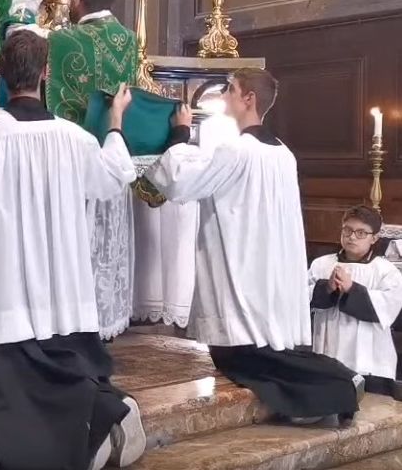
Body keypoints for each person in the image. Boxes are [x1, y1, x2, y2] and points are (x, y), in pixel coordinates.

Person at [0, 30, 146, 470]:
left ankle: (94, 427)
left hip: (6, 286)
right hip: (63, 286)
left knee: (9, 398)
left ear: (1, 74)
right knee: (66, 371)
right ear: (46, 73)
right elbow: (111, 178)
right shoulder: (75, 138)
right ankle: (100, 420)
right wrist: (115, 123)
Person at [144, 68, 365, 424]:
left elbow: (184, 181)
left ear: (249, 99)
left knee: (241, 357)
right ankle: (334, 383)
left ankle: (336, 382)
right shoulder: (283, 154)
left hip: (242, 269)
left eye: (230, 89)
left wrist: (180, 134)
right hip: (267, 273)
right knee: (258, 353)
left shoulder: (238, 150)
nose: (224, 95)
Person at [0, 0, 139, 124]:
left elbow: (17, 33)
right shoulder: (129, 39)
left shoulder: (64, 41)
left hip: (72, 137)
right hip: (114, 134)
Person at [310, 205, 402, 397]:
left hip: (370, 361)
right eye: (347, 230)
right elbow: (302, 297)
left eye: (361, 233)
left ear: (374, 238)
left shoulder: (385, 271)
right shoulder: (321, 264)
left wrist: (352, 289)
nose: (352, 237)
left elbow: (387, 308)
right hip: (327, 351)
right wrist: (327, 288)